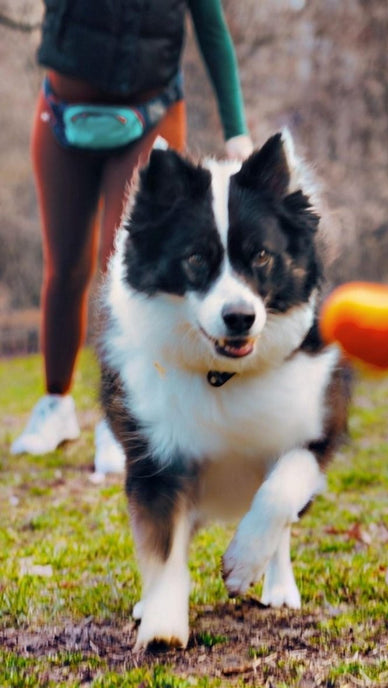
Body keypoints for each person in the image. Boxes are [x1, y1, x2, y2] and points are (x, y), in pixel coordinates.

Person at [11, 0, 254, 472]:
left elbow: (212, 29)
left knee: (120, 270)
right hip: (63, 115)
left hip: (149, 115)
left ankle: (117, 420)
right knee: (64, 269)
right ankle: (55, 406)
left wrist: (237, 132)